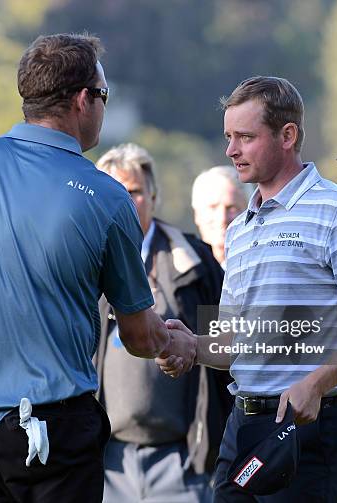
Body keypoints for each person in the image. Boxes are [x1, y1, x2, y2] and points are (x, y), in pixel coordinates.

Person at [0, 33, 195, 503]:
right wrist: (178, 342)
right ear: (84, 100)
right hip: (54, 437)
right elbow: (139, 336)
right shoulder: (108, 197)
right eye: (103, 96)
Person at [157, 76, 337, 503]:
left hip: (312, 430)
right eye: (229, 137)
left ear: (287, 135)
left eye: (246, 137)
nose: (231, 150)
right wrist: (193, 345)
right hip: (243, 427)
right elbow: (236, 340)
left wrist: (318, 383)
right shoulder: (240, 229)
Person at [95, 143, 233, 503]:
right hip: (107, 461)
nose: (126, 201)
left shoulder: (196, 263)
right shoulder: (83, 263)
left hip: (185, 459)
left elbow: (231, 348)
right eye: (116, 192)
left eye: (135, 192)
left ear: (153, 197)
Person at [191, 166, 251, 267]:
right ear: (197, 214)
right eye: (213, 207)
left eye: (232, 208)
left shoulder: (261, 268)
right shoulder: (184, 269)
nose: (222, 218)